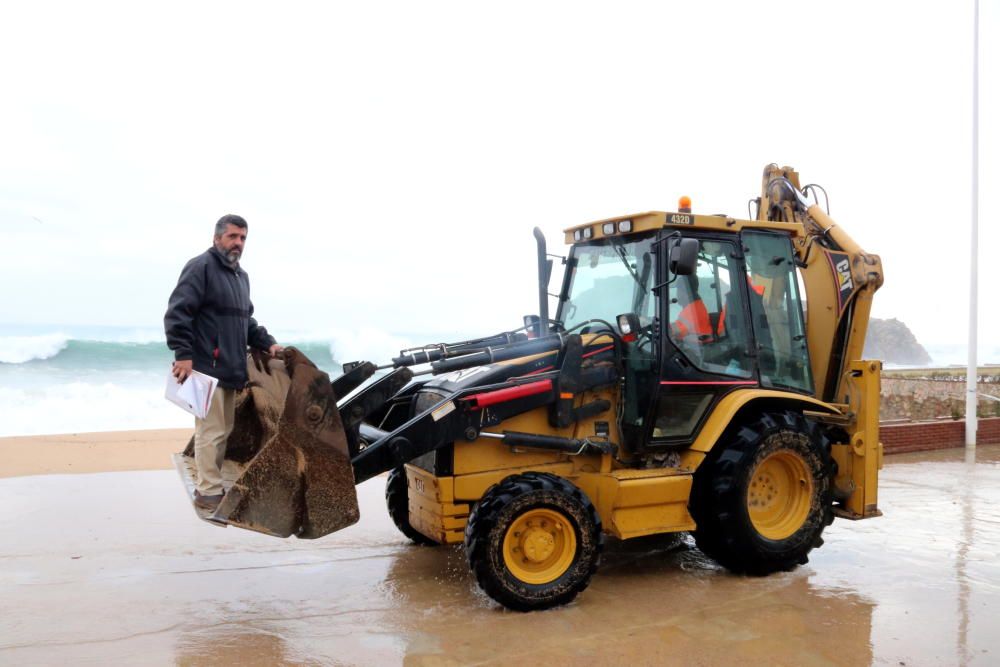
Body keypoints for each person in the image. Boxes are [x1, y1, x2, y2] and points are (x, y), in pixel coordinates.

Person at [164, 214, 283, 511]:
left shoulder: (240, 277)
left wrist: (268, 343)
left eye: (243, 238)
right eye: (232, 237)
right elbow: (179, 313)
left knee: (223, 430)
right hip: (206, 367)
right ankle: (208, 491)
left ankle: (211, 484)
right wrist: (183, 355)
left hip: (231, 368)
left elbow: (246, 322)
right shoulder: (201, 267)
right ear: (217, 238)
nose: (238, 243)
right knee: (212, 431)